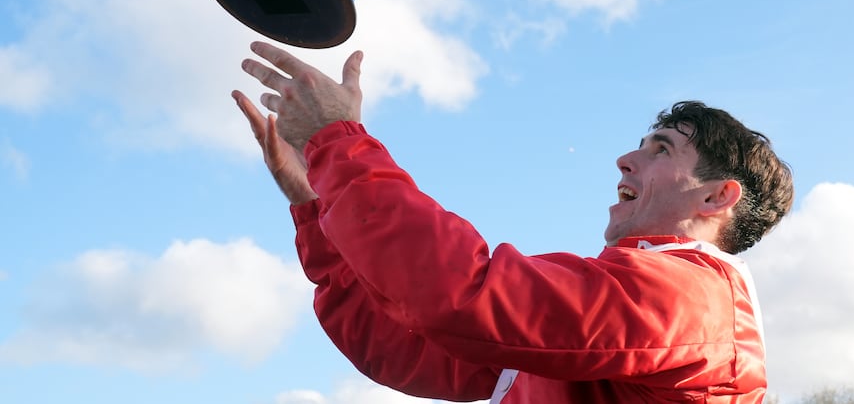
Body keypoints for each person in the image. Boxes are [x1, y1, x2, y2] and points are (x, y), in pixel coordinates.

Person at [234, 42, 794, 403]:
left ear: (718, 198)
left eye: (662, 151)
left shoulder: (695, 298)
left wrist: (339, 143)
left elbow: (459, 292)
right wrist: (313, 204)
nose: (626, 160)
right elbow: (401, 345)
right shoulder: (625, 304)